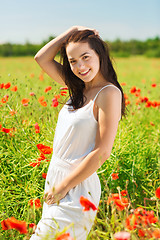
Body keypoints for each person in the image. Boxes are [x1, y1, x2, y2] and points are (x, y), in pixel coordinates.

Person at [30, 26, 126, 240]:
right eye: (73, 61)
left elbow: (102, 151)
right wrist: (72, 31)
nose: (80, 66)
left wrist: (63, 186)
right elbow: (41, 58)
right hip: (58, 179)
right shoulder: (79, 88)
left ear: (99, 55)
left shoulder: (108, 93)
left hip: (77, 186)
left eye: (86, 57)